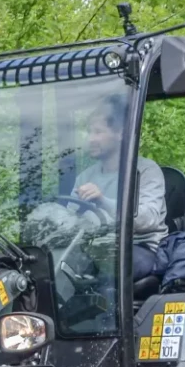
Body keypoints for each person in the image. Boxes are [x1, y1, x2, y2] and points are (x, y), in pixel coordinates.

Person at [71, 94, 168, 281]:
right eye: (89, 132)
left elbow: (148, 220)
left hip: (140, 248)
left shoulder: (146, 170)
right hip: (96, 247)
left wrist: (102, 201)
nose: (91, 139)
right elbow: (71, 220)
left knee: (109, 265)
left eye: (98, 132)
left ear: (120, 133)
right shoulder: (85, 177)